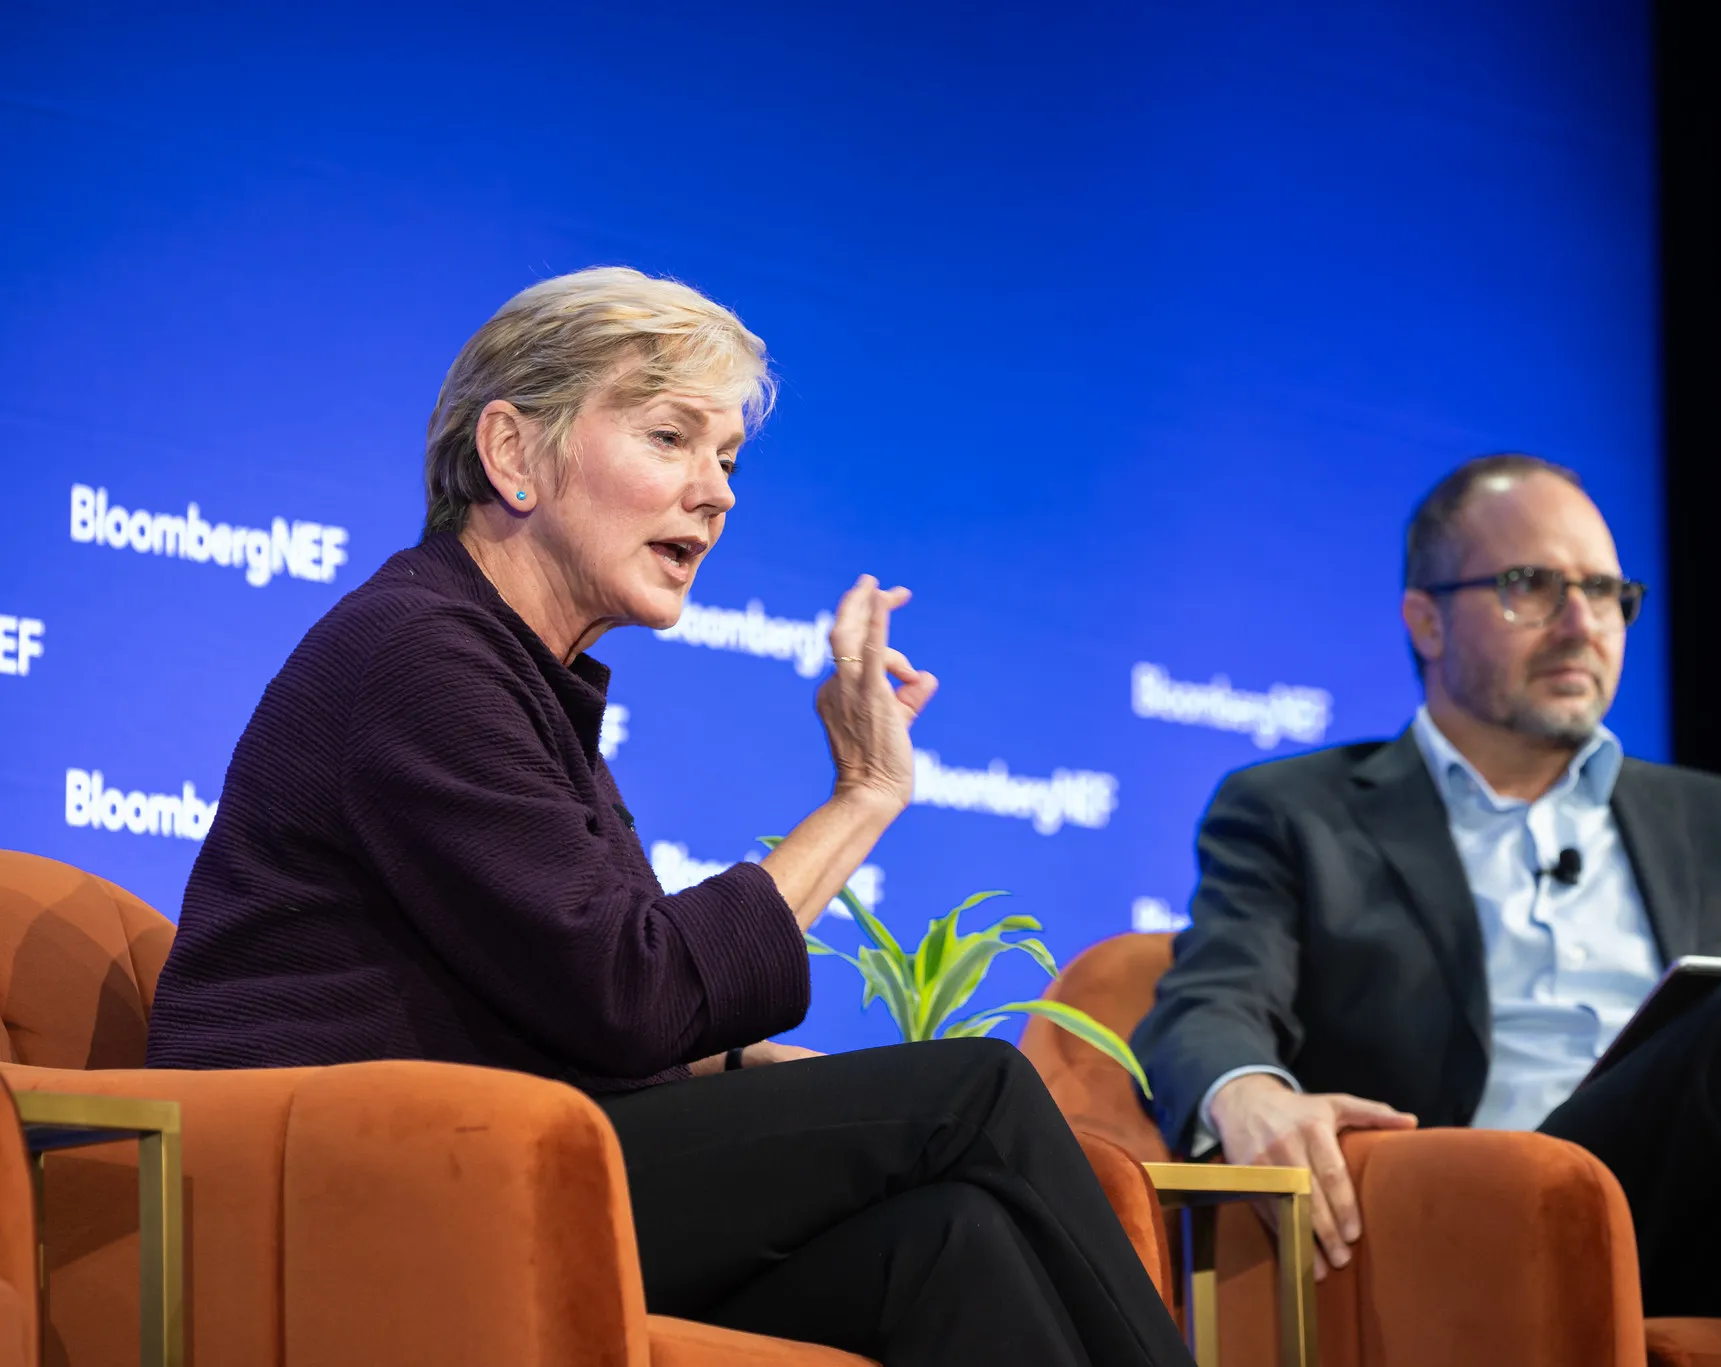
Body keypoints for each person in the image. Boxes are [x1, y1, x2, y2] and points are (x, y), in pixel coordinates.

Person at [147, 267, 1191, 1367]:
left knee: (949, 1243)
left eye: (728, 459)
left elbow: (570, 994)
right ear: (512, 454)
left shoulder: (520, 676)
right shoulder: (418, 654)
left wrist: (741, 1072)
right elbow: (634, 993)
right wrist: (863, 797)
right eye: (670, 438)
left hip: (486, 1147)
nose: (718, 492)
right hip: (336, 1186)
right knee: (974, 1088)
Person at [1131, 453, 1721, 1367]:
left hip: (1705, 1228)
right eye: (1531, 585)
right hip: (1478, 1218)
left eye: (1606, 591)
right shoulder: (1297, 809)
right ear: (1426, 619)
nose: (1582, 623)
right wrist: (1244, 1090)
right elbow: (1210, 999)